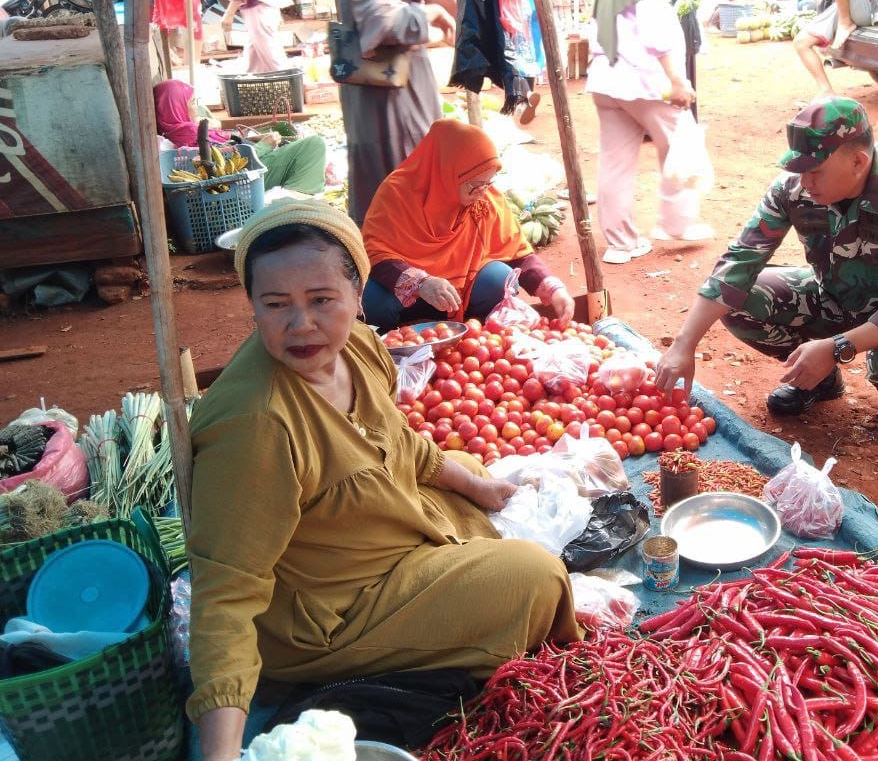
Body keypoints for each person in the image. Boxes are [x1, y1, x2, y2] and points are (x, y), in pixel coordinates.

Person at [188, 199, 581, 761]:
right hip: (332, 614)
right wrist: (220, 754)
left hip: (373, 536)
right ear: (253, 307)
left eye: (322, 300)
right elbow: (224, 595)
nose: (301, 325)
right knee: (535, 575)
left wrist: (475, 487)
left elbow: (396, 440)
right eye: (276, 305)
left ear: (357, 293)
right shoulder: (256, 425)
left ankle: (455, 578)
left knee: (465, 469)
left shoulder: (360, 346)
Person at [654, 98, 878, 440]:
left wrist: (836, 347)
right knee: (738, 303)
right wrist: (684, 344)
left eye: (814, 170)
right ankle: (819, 380)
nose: (804, 181)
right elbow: (739, 262)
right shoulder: (792, 188)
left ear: (859, 161)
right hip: (836, 296)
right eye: (799, 168)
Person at [587, 0, 712, 266]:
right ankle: (677, 223)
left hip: (605, 82)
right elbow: (657, 36)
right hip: (643, 82)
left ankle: (620, 243)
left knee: (615, 162)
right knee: (681, 141)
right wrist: (677, 81)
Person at [360, 120, 575, 329]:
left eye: (488, 182)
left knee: (501, 280)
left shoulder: (483, 199)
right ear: (446, 172)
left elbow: (517, 254)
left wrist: (551, 287)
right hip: (408, 301)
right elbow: (376, 253)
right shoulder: (397, 194)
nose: (483, 192)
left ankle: (470, 330)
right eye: (475, 184)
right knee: (373, 297)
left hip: (460, 296)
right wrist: (421, 284)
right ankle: (392, 346)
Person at [339, 0, 457, 224]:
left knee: (396, 172)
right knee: (401, 169)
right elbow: (383, 23)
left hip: (392, 91)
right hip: (391, 99)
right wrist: (432, 11)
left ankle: (398, 248)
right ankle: (399, 255)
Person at [152, 79, 327, 195]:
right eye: (190, 102)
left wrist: (253, 140)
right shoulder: (188, 134)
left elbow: (224, 145)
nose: (195, 107)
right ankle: (297, 202)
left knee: (302, 147)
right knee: (315, 144)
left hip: (249, 164)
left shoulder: (177, 129)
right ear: (176, 107)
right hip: (244, 179)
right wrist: (264, 145)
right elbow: (224, 167)